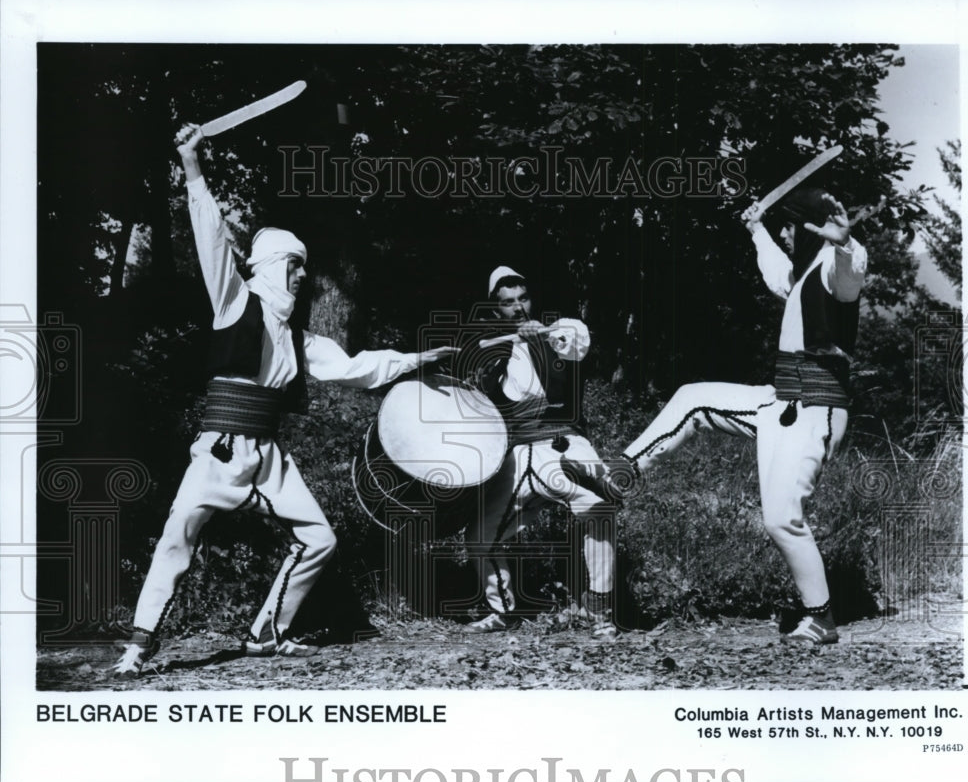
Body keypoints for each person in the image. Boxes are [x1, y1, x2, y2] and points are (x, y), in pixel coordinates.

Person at [112, 123, 455, 676]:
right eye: (293, 264)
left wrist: (419, 360)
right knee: (179, 535)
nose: (301, 275)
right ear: (270, 265)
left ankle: (265, 632)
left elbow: (356, 369)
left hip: (269, 455)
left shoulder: (302, 340)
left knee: (320, 538)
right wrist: (192, 167)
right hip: (221, 450)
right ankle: (139, 644)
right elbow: (210, 234)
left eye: (303, 265)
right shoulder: (233, 302)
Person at [612, 188, 867, 645]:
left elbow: (849, 283)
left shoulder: (833, 263)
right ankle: (620, 473)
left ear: (813, 226)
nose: (787, 234)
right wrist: (756, 229)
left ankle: (821, 619)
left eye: (790, 226)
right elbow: (775, 274)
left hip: (816, 410)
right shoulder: (802, 274)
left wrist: (845, 243)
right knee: (694, 398)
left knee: (780, 520)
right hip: (780, 402)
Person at [464, 266, 620, 636]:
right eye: (507, 303)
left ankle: (600, 612)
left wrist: (543, 334)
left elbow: (577, 337)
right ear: (495, 309)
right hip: (518, 456)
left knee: (601, 510)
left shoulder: (556, 332)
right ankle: (502, 610)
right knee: (479, 536)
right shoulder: (491, 349)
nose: (518, 308)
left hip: (564, 445)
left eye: (523, 299)